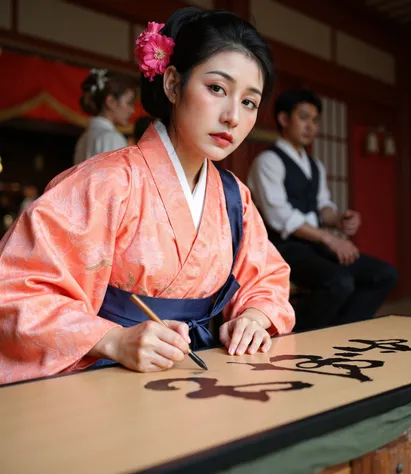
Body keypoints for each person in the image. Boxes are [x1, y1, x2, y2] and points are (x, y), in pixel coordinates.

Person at [0, 7, 294, 385]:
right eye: (217, 88)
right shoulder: (104, 182)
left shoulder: (234, 196)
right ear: (172, 84)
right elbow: (16, 289)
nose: (232, 116)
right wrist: (114, 340)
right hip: (107, 373)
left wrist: (255, 316)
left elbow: (266, 277)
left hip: (203, 371)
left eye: (249, 102)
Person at [248, 88, 397, 331]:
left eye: (315, 120)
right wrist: (331, 239)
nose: (311, 126)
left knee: (385, 274)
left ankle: (341, 331)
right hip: (282, 247)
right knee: (339, 282)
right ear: (284, 119)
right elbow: (280, 217)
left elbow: (323, 206)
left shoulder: (315, 165)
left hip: (315, 245)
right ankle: (301, 335)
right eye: (304, 117)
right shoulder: (268, 162)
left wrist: (339, 219)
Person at [73, 69, 137, 165]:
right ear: (111, 102)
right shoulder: (112, 138)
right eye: (129, 103)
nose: (132, 110)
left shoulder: (84, 137)